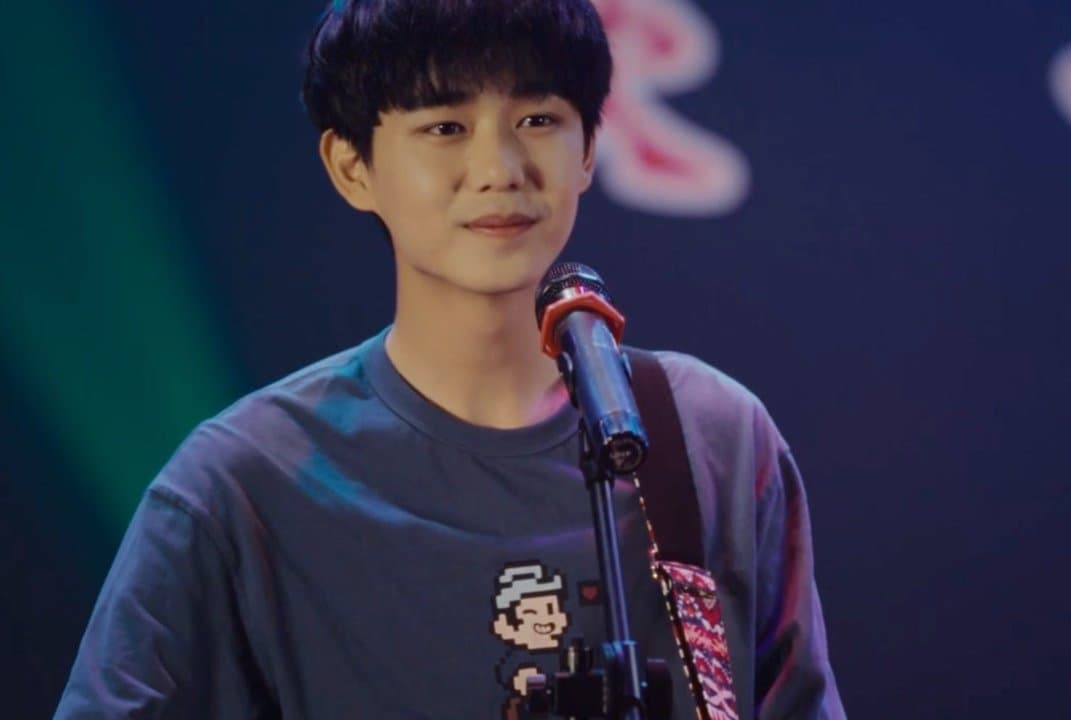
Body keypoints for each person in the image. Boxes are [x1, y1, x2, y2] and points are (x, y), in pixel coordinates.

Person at [53, 1, 845, 717]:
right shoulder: (244, 484)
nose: (499, 169)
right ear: (352, 166)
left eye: (537, 118)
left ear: (588, 150)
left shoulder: (709, 437)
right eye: (445, 127)